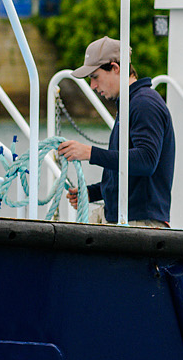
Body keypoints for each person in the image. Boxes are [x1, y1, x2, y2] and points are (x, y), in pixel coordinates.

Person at [55, 36, 175, 226]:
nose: (92, 86)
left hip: (138, 223)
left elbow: (146, 161)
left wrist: (89, 153)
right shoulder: (132, 103)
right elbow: (131, 175)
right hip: (123, 217)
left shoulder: (144, 103)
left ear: (115, 68)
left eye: (95, 77)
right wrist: (92, 192)